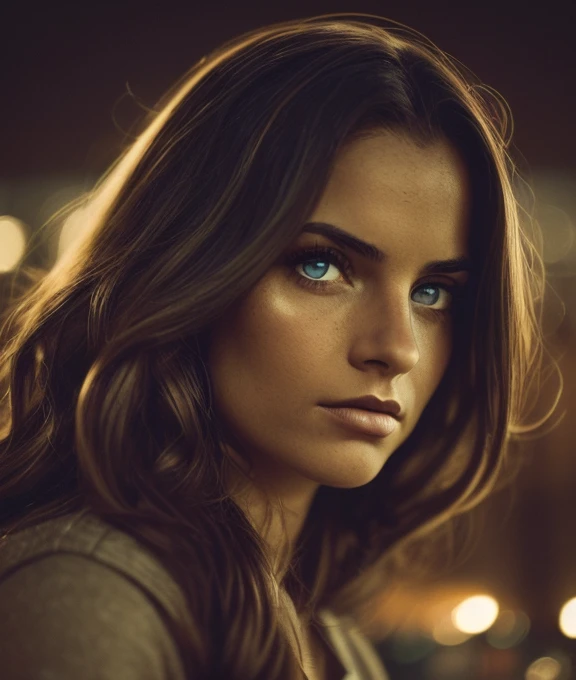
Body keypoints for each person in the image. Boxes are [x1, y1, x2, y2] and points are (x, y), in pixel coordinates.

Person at [0, 13, 560, 680]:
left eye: (434, 292)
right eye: (321, 265)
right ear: (189, 265)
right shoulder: (85, 597)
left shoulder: (323, 631)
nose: (397, 349)